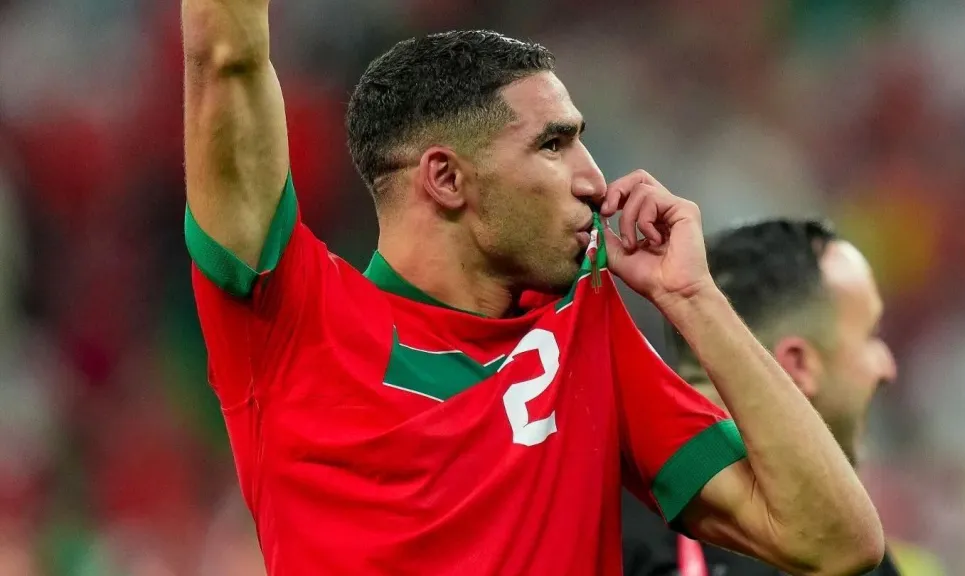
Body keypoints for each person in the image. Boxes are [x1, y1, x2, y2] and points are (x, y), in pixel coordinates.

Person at [180, 2, 885, 572]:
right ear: (446, 179)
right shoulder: (290, 320)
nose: (595, 180)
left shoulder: (582, 326)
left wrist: (694, 299)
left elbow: (833, 543)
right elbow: (226, 55)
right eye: (553, 145)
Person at [622, 218, 912, 575]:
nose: (887, 367)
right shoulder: (839, 550)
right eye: (872, 335)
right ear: (798, 363)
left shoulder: (593, 502)